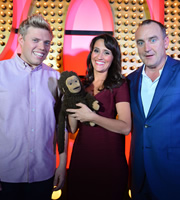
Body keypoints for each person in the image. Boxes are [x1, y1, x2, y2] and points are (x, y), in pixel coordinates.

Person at [0, 14, 68, 200]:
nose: (42, 48)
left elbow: (60, 125)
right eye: (35, 40)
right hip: (5, 174)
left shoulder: (55, 78)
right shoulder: (1, 72)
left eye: (46, 43)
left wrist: (62, 164)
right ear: (21, 39)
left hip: (43, 174)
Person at [66, 34, 131, 200]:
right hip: (81, 161)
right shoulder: (81, 84)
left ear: (113, 57)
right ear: (91, 54)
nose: (100, 56)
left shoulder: (119, 85)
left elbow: (125, 127)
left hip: (110, 164)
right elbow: (72, 129)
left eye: (106, 52)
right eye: (96, 50)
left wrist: (92, 116)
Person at [127, 19, 180, 200]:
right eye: (140, 42)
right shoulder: (130, 81)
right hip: (139, 176)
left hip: (173, 175)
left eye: (152, 40)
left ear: (165, 42)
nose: (146, 48)